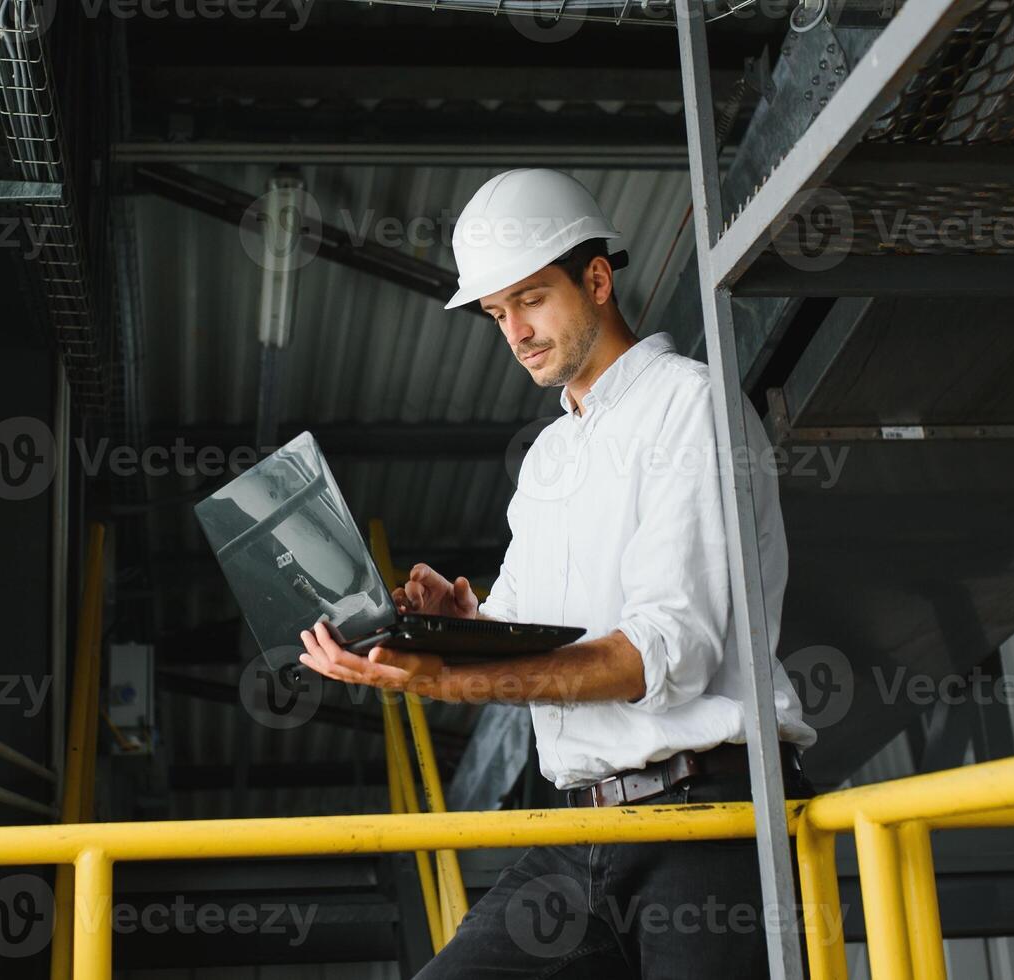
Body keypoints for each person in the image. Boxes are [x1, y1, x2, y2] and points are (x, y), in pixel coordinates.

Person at [296, 168, 818, 978]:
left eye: (531, 299)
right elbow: (535, 628)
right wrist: (463, 626)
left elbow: (659, 655)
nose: (516, 332)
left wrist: (451, 682)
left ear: (598, 280)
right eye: (498, 313)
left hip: (708, 827)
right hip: (582, 837)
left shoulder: (689, 408)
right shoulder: (551, 454)